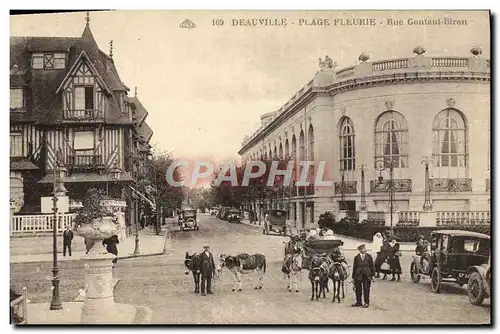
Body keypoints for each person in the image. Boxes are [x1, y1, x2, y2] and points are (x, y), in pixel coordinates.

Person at [351, 244, 375, 308]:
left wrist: (373, 275)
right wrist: (353, 277)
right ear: (359, 250)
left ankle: (366, 302)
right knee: (358, 289)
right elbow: (354, 268)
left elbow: (372, 266)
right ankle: (359, 302)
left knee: (366, 289)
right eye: (361, 249)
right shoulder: (356, 257)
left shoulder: (369, 256)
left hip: (367, 275)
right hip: (358, 275)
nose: (362, 250)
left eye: (363, 249)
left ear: (365, 249)